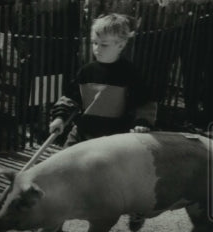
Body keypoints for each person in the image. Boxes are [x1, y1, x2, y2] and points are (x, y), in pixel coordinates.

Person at [49, 13, 156, 147]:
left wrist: (142, 123)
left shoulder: (129, 73)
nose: (97, 49)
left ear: (121, 45)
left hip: (113, 139)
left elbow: (144, 103)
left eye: (104, 45)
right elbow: (70, 98)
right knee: (64, 165)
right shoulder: (86, 71)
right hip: (82, 133)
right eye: (94, 43)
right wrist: (59, 118)